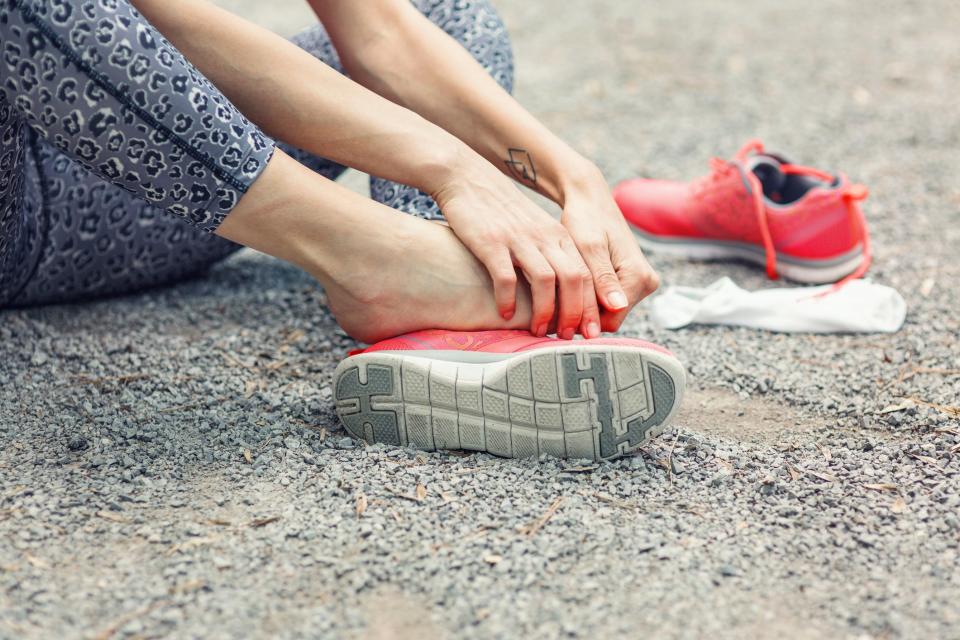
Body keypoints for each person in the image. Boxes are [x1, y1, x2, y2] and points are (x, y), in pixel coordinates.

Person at [0, 0, 660, 344]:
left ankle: (434, 313)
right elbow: (156, 25)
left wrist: (574, 178)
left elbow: (381, 33)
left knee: (440, 10)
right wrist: (452, 166)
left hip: (132, 190)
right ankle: (380, 261)